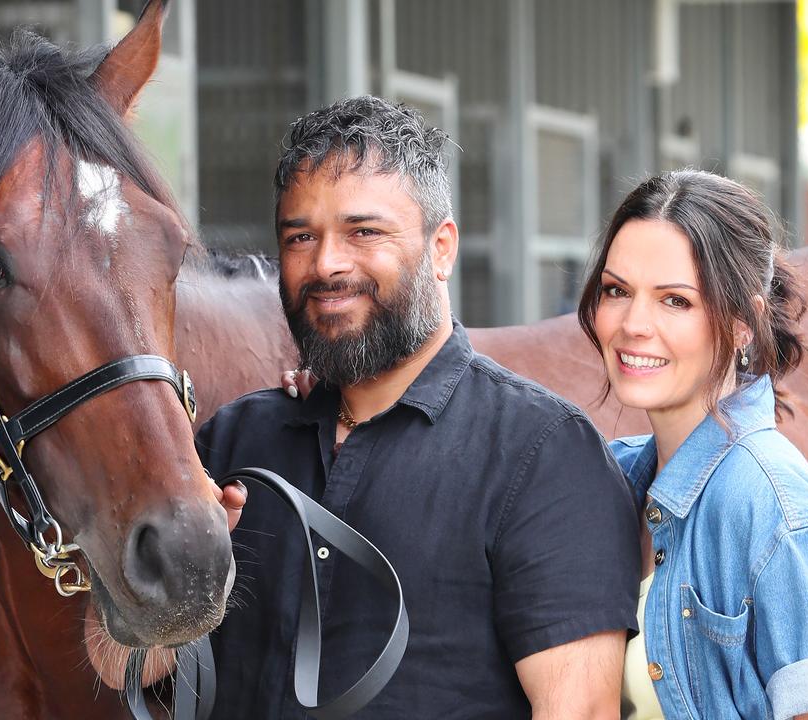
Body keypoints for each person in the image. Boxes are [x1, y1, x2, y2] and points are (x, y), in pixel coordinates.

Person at [196, 96, 641, 719]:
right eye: (300, 236)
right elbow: (123, 670)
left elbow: (580, 712)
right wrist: (184, 588)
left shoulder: (543, 456)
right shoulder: (232, 443)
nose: (326, 263)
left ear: (442, 248)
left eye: (364, 232)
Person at [576, 169, 808, 719]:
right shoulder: (616, 480)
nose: (633, 324)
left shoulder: (781, 515)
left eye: (675, 301)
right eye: (617, 291)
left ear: (743, 323)